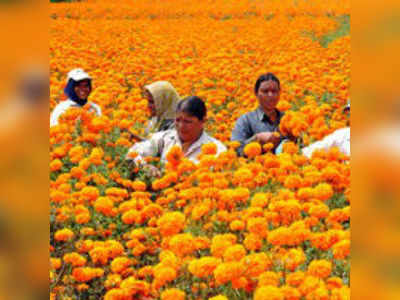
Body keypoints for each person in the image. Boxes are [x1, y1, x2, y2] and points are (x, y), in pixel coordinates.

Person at [126, 96, 227, 174]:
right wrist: (145, 166)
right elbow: (132, 153)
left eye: (188, 121)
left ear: (203, 121)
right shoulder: (165, 139)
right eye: (177, 120)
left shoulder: (217, 149)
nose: (181, 126)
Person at [231, 72, 288, 155]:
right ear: (256, 93)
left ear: (279, 93)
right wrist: (257, 139)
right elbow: (235, 151)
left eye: (274, 91)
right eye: (265, 91)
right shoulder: (245, 120)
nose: (270, 95)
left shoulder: (287, 119)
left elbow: (302, 148)